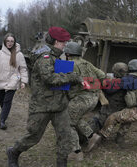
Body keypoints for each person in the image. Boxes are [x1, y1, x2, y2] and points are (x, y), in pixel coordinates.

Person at [7, 27, 84, 167]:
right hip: (42, 105)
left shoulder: (55, 55)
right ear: (55, 42)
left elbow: (59, 77)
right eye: (63, 42)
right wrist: (72, 77)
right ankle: (14, 151)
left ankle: (62, 163)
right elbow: (50, 78)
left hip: (59, 105)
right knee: (34, 136)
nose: (65, 44)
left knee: (65, 137)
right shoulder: (45, 56)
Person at [87, 59, 137, 151]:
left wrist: (102, 84)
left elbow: (110, 90)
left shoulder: (130, 79)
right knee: (127, 116)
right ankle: (119, 139)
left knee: (113, 117)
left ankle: (100, 137)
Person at [63, 42, 106, 156]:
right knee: (75, 118)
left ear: (67, 53)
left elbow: (61, 84)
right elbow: (102, 74)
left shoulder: (68, 64)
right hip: (94, 98)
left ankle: (76, 151)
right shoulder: (87, 63)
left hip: (81, 99)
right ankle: (92, 136)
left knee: (68, 122)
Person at [0, 33, 28, 130]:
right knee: (1, 100)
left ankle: (2, 121)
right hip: (0, 80)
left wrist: (23, 81)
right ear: (5, 41)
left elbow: (23, 69)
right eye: (8, 41)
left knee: (7, 101)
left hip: (13, 81)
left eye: (12, 41)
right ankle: (4, 112)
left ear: (14, 42)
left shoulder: (19, 55)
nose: (10, 43)